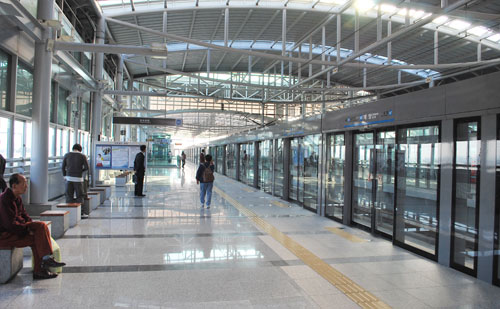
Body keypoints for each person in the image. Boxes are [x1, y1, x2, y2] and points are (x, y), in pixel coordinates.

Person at [0, 174, 66, 279]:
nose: (26, 186)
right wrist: (27, 230)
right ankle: (45, 261)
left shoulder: (17, 199)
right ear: (14, 186)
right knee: (40, 227)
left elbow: (25, 217)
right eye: (23, 183)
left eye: (26, 183)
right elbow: (10, 225)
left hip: (15, 232)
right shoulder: (4, 200)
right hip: (5, 236)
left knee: (38, 234)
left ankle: (40, 269)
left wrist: (30, 228)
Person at [62, 144, 89, 218]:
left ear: (73, 148)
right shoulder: (82, 156)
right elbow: (86, 167)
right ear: (80, 149)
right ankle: (81, 213)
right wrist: (80, 171)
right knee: (80, 196)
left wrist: (65, 175)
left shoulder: (67, 155)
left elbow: (63, 167)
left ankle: (69, 213)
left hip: (68, 178)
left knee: (69, 196)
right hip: (78, 179)